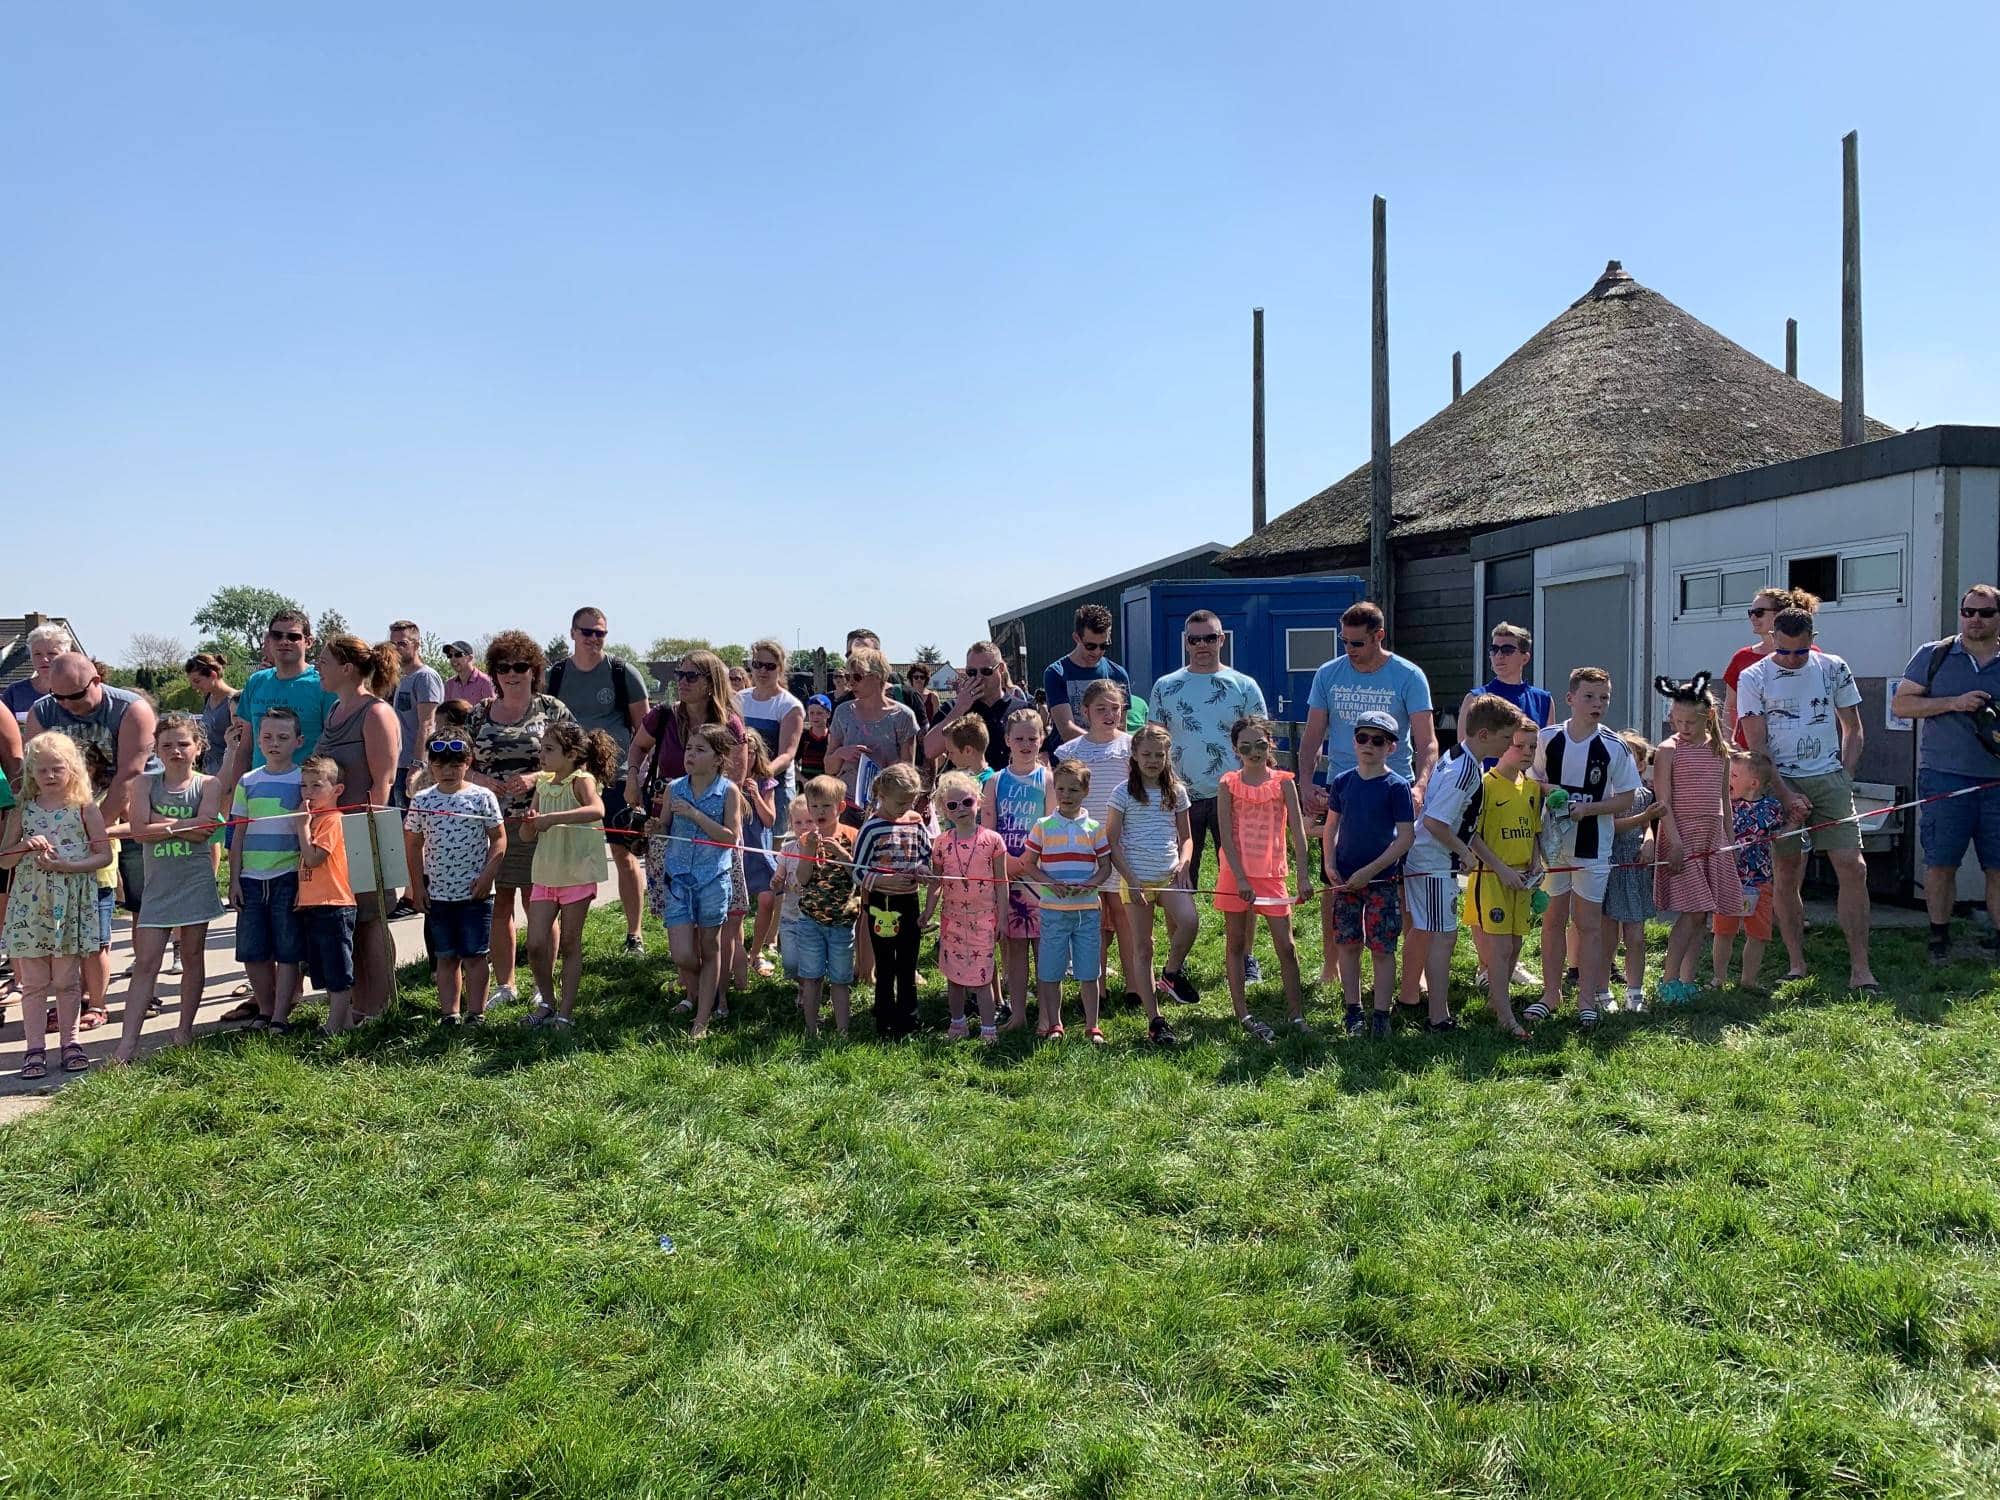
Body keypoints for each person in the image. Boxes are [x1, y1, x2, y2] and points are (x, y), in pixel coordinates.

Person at [1737, 606, 1877, 990]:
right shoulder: (1753, 676)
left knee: (1853, 866)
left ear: (1813, 640)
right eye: (1784, 651)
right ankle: (1796, 963)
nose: (1792, 659)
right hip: (1780, 780)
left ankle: (1861, 969)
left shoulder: (1833, 667)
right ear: (1773, 640)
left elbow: (1853, 728)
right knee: (1787, 871)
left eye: (1801, 651)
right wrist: (1785, 795)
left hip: (1829, 778)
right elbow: (1757, 744)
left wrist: (1845, 775)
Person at [1301, 602, 1436, 981]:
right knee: (1335, 878)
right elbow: (1312, 735)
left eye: (1357, 643)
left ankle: (1411, 969)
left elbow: (1427, 742)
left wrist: (1421, 785)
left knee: (1400, 880)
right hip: (1343, 787)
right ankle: (1332, 965)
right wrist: (1306, 782)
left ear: (1379, 636)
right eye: (1344, 641)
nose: (1349, 649)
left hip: (1394, 787)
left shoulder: (1408, 675)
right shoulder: (1329, 674)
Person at [1146, 609, 1268, 975]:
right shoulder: (1165, 686)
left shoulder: (1244, 686)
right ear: (1186, 642)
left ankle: (1245, 957)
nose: (1202, 645)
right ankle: (1178, 960)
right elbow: (1153, 743)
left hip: (1236, 796)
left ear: (1222, 639)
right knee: (1180, 877)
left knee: (1242, 876)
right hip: (1180, 797)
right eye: (1195, 639)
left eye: (1210, 637)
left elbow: (1261, 743)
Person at [1398, 695, 1529, 1032]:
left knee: (1428, 931)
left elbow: (1454, 821)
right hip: (1433, 862)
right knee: (1443, 938)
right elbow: (1435, 823)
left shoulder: (1458, 755)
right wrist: (1465, 853)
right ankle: (1438, 1017)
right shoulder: (1465, 771)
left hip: (1432, 859)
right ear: (1484, 734)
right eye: (1506, 738)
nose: (1510, 744)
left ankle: (1410, 996)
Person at [1891, 584, 2000, 963]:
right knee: (1941, 863)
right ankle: (1939, 937)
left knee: (1997, 866)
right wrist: (1954, 703)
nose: (1975, 620)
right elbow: (1902, 705)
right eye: (1968, 612)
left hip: (1996, 781)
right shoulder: (1934, 655)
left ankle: (1997, 941)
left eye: (1985, 613)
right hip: (1944, 777)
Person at [465, 631, 574, 1009]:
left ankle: (543, 984)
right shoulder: (479, 713)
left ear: (534, 670)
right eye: (503, 667)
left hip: (538, 821)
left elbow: (580, 759)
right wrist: (479, 779)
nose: (512, 673)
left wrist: (536, 778)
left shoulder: (552, 710)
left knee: (538, 904)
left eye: (520, 666)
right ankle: (505, 984)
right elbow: (455, 763)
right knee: (498, 905)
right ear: (494, 672)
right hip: (488, 822)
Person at [1527, 667, 1640, 1029]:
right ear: (1570, 699)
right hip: (1552, 845)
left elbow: (1626, 798)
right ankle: (1550, 994)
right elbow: (1530, 782)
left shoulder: (1614, 746)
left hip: (1593, 847)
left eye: (1604, 697)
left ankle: (1587, 999)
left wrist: (1587, 809)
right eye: (1589, 696)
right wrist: (1550, 792)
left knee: (1589, 923)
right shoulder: (1546, 739)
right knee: (1553, 920)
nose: (1598, 704)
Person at [112, 713, 226, 1064]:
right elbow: (139, 832)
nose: (176, 751)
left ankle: (184, 1031)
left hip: (194, 882)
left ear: (198, 747)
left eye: (183, 744)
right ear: (157, 750)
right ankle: (127, 1044)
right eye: (167, 745)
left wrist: (159, 824)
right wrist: (184, 825)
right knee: (146, 962)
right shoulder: (144, 784)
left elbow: (206, 831)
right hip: (157, 889)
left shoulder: (208, 784)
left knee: (192, 957)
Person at [3, 733, 111, 1076]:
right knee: (34, 982)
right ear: (31, 772)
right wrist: (24, 845)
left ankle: (71, 1043)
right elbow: (4, 861)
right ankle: (34, 1049)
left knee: (66, 980)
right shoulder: (23, 810)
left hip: (69, 904)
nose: (50, 775)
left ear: (72, 768)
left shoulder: (84, 808)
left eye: (57, 768)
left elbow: (104, 855)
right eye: (42, 769)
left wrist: (68, 866)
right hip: (30, 908)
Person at [548, 607, 652, 954]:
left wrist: (637, 777)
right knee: (566, 855)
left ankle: (635, 934)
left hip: (616, 779)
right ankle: (563, 936)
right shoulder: (555, 675)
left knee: (624, 854)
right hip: (569, 779)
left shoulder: (623, 673)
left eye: (600, 633)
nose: (594, 638)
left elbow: (645, 731)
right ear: (572, 632)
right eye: (587, 632)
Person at [313, 635, 402, 1020]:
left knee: (371, 918)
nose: (318, 667)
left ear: (347, 668)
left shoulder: (377, 712)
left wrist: (368, 835)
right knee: (350, 921)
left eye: (324, 661)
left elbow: (384, 781)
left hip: (366, 831)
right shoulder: (335, 709)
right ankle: (359, 1005)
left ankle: (381, 1008)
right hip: (333, 834)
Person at [1214, 714, 1314, 1040]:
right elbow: (1226, 836)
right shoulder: (1228, 783)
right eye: (1245, 747)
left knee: (1286, 945)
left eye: (1260, 744)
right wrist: (1240, 878)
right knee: (1236, 942)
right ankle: (1242, 1013)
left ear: (1270, 743)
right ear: (1235, 750)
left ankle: (1296, 1014)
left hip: (1271, 874)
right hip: (1235, 875)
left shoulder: (1283, 782)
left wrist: (1303, 877)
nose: (1254, 752)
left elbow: (1298, 833)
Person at [1321, 709, 1416, 1039]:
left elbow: (1405, 838)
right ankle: (1353, 1010)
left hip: (1382, 882)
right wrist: (1329, 864)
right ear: (1354, 741)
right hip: (1345, 881)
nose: (1368, 745)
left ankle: (1381, 1014)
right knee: (1347, 944)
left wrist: (1370, 870)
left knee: (1382, 948)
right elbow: (1330, 827)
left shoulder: (1397, 786)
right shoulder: (1343, 782)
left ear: (1391, 747)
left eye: (1378, 740)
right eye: (1362, 738)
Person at [1650, 675, 1740, 1004]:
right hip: (1682, 836)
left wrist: (1730, 842)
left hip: (1712, 839)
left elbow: (1724, 801)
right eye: (1677, 721)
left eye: (1690, 721)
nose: (1683, 727)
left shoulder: (1720, 750)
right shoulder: (1668, 750)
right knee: (1692, 911)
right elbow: (1663, 801)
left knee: (1703, 914)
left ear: (1709, 716)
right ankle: (1668, 981)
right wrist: (1674, 842)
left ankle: (1687, 980)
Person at [405, 733, 506, 1024]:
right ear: (430, 766)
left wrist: (487, 877)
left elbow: (499, 839)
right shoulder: (422, 800)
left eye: (455, 765)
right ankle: (450, 1013)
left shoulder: (482, 797)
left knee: (475, 955)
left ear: (468, 763)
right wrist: (417, 886)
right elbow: (413, 844)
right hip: (438, 895)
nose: (447, 771)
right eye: (440, 765)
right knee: (446, 956)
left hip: (475, 894)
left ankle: (476, 1014)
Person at [520, 723, 615, 1029]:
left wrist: (551, 819)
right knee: (535, 944)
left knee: (570, 943)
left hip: (577, 874)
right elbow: (526, 836)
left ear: (571, 754)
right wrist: (530, 822)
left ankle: (566, 1013)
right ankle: (547, 1003)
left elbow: (597, 810)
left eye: (549, 749)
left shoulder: (582, 780)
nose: (542, 755)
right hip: (545, 874)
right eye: (541, 749)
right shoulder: (543, 784)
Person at [1105, 723, 1194, 1044]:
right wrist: (1131, 880)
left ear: (1167, 756)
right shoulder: (1123, 793)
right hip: (1136, 881)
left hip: (1168, 876)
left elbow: (1187, 838)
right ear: (1134, 755)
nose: (1153, 761)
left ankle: (1170, 973)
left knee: (1189, 922)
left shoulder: (1176, 791)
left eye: (1159, 755)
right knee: (1143, 948)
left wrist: (1184, 862)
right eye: (1147, 755)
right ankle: (1155, 1019)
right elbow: (1112, 842)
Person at [1053, 680, 1139, 1006]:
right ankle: (1096, 986)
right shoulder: (1070, 751)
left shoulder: (1131, 747)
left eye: (1115, 708)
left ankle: (1134, 985)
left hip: (1122, 842)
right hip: (1083, 843)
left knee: (1124, 914)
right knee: (1092, 918)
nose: (1109, 714)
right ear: (1085, 711)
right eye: (1101, 708)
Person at [1462, 721, 1546, 1040]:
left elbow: (1534, 832)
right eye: (1519, 745)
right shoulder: (1485, 784)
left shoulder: (1532, 788)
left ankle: (1495, 1002)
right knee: (1499, 949)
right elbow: (1472, 835)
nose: (1526, 752)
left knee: (1515, 945)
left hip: (1522, 880)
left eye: (1532, 747)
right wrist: (1500, 868)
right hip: (1492, 878)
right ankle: (1505, 1015)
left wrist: (1535, 862)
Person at [658, 723, 741, 1039]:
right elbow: (664, 827)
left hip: (713, 880)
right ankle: (698, 992)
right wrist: (652, 827)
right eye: (689, 748)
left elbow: (730, 838)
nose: (690, 754)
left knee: (710, 947)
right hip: (678, 880)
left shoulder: (728, 791)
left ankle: (702, 1020)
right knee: (682, 954)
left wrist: (694, 814)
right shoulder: (674, 788)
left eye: (700, 750)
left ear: (718, 759)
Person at [1021, 759, 1111, 1043]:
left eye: (1073, 789)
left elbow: (1105, 867)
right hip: (1053, 911)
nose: (1066, 795)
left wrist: (1090, 884)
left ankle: (1092, 1025)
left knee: (1089, 971)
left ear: (1085, 791)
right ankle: (1055, 1025)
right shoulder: (1043, 826)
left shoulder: (1094, 828)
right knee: (1051, 970)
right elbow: (1028, 864)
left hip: (1087, 911)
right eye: (1060, 789)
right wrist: (1049, 882)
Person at [227, 706, 305, 1028]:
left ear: (298, 741)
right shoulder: (248, 780)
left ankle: (281, 1015)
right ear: (258, 741)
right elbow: (238, 833)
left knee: (288, 949)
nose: (274, 743)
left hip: (288, 876)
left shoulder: (303, 781)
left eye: (283, 737)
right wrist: (234, 879)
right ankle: (265, 1009)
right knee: (253, 949)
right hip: (250, 878)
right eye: (268, 737)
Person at [923, 769, 1008, 1041]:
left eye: (966, 802)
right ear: (943, 810)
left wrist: (1002, 918)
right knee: (954, 977)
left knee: (982, 978)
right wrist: (927, 912)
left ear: (978, 801)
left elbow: (1002, 883)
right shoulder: (941, 843)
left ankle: (988, 1029)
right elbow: (936, 883)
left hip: (984, 919)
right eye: (952, 805)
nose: (960, 809)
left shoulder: (993, 840)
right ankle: (957, 1023)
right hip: (953, 919)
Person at [980, 706, 1048, 1031]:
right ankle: (1018, 1013)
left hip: (1040, 875)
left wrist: (1029, 862)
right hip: (1007, 876)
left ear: (1041, 739)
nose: (1025, 745)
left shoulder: (1048, 779)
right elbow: (989, 831)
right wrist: (1005, 864)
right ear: (1007, 739)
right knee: (1016, 948)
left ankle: (1047, 1015)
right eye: (1019, 738)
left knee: (1044, 950)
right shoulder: (995, 782)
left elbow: (1051, 827)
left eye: (1032, 738)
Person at [854, 763, 932, 1041]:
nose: (906, 808)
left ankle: (909, 1017)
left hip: (909, 901)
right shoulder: (872, 827)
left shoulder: (915, 821)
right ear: (882, 796)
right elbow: (857, 870)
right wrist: (883, 881)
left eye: (911, 802)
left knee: (908, 960)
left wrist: (923, 869)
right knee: (886, 962)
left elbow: (925, 854)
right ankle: (884, 1017)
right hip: (882, 903)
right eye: (900, 803)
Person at [223, 609, 335, 792]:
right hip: (258, 791)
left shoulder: (323, 685)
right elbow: (245, 748)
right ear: (268, 640)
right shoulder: (256, 681)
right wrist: (238, 797)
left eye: (293, 636)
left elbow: (332, 747)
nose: (284, 641)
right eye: (277, 635)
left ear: (308, 642)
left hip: (305, 792)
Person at [784, 775, 860, 1037]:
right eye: (814, 806)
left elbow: (859, 876)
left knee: (840, 979)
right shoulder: (806, 839)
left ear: (840, 807)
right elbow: (803, 879)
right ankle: (811, 1029)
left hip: (842, 921)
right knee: (811, 976)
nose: (820, 812)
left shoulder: (852, 835)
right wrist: (808, 852)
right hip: (810, 920)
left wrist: (842, 854)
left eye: (826, 806)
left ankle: (842, 1030)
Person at [1712, 750, 1790, 994]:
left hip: (1760, 881)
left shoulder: (1771, 807)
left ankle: (1749, 980)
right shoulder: (1724, 806)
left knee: (1758, 933)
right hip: (1728, 879)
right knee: (1723, 931)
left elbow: (1779, 835)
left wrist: (1796, 823)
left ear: (1754, 783)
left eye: (1734, 776)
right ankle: (1718, 978)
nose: (1728, 780)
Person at [294, 756, 358, 1034]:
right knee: (323, 968)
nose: (308, 792)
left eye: (316, 785)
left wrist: (301, 827)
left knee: (337, 968)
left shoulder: (333, 820)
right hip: (313, 904)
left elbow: (313, 858)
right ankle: (346, 1023)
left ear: (337, 790)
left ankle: (334, 1025)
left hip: (334, 904)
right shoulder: (315, 821)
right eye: (304, 786)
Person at [1600, 731, 1661, 1014]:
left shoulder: (1645, 794)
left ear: (1640, 764)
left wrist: (1649, 842)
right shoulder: (1607, 794)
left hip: (1635, 868)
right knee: (1607, 936)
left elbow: (1646, 827)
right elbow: (1610, 827)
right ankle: (1601, 990)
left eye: (1632, 758)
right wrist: (1645, 818)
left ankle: (1635, 992)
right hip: (1610, 866)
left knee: (1636, 936)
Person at [737, 635, 805, 860]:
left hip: (775, 788)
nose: (762, 671)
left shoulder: (789, 705)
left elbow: (787, 754)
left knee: (772, 853)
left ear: (780, 668)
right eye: (757, 664)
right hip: (740, 784)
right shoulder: (739, 699)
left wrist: (759, 774)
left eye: (770, 666)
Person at [1724, 587, 1820, 744]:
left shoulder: (1810, 654)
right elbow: (1731, 707)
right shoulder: (1742, 658)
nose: (1752, 618)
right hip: (1750, 752)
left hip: (1797, 747)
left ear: (1779, 614)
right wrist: (1729, 745)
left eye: (1759, 612)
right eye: (1750, 613)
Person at [829, 647, 921, 802]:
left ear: (877, 676)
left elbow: (908, 773)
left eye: (857, 677)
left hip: (886, 804)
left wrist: (886, 766)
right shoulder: (843, 712)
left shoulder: (903, 716)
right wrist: (840, 753)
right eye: (848, 676)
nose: (850, 682)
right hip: (846, 802)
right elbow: (829, 767)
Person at [923, 641, 1032, 771]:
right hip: (965, 782)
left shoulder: (1022, 709)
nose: (979, 677)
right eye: (972, 672)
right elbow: (930, 750)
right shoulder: (953, 707)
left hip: (1010, 782)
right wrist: (959, 709)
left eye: (986, 671)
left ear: (1001, 669)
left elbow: (1042, 755)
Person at [1044, 604, 1131, 744]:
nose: (1097, 652)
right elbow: (1067, 730)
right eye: (1090, 646)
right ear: (1076, 637)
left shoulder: (1118, 674)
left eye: (1104, 645)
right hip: (1070, 755)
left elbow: (1121, 727)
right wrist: (1105, 744)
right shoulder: (1056, 673)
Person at [1460, 622, 1553, 741]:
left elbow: (1547, 748)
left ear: (1525, 658)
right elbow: (1464, 748)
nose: (1499, 655)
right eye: (1494, 649)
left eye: (1507, 650)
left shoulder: (1543, 700)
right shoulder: (1474, 699)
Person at [387, 621, 444, 809]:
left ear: (417, 645)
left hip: (415, 766)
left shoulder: (425, 677)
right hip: (399, 764)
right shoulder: (402, 678)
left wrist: (417, 765)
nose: (396, 649)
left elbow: (427, 724)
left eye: (402, 644)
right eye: (393, 644)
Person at [5, 622, 76, 723]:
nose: (44, 659)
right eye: (37, 654)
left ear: (67, 655)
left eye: (52, 653)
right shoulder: (14, 693)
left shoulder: (80, 691)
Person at [184, 652, 240, 777]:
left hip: (228, 772)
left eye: (197, 681)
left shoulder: (235, 701)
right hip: (209, 771)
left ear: (213, 675)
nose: (194, 687)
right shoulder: (208, 699)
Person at [442, 641, 496, 706]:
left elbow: (493, 708)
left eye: (458, 654)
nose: (453, 659)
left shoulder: (485, 681)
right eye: (449, 655)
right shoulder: (449, 685)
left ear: (470, 658)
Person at [797, 695, 832, 786]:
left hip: (827, 787)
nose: (815, 716)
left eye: (819, 713)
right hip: (807, 787)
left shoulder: (833, 738)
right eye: (811, 713)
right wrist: (803, 779)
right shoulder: (803, 737)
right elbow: (791, 762)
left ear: (828, 714)